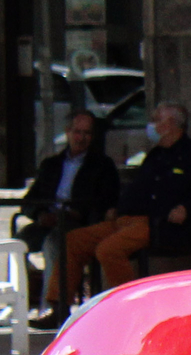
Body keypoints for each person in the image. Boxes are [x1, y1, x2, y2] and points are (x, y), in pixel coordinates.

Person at [57, 102, 191, 310]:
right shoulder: (155, 155)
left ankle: (131, 307)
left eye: (156, 120)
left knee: (108, 250)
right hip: (124, 220)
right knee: (73, 241)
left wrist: (187, 209)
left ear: (171, 124)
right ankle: (58, 305)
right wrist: (117, 208)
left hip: (154, 223)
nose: (151, 125)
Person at [18, 112, 120, 323]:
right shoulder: (51, 164)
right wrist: (40, 214)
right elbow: (29, 200)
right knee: (17, 242)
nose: (81, 138)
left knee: (54, 242)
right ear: (67, 132)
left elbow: (106, 199)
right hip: (49, 218)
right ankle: (17, 304)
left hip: (78, 222)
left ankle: (53, 308)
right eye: (77, 132)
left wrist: (78, 213)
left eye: (86, 133)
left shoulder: (102, 165)